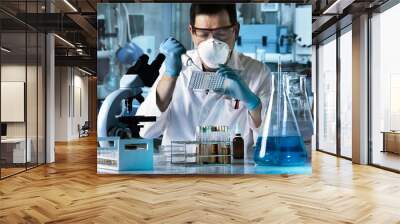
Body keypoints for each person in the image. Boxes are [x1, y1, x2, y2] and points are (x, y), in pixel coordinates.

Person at [137, 4, 271, 153]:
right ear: (192, 32)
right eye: (203, 34)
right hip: (177, 170)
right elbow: (145, 130)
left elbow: (269, 141)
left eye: (221, 33)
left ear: (235, 30)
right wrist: (170, 76)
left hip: (232, 170)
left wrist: (253, 103)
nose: (212, 42)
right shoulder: (177, 65)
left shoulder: (258, 72)